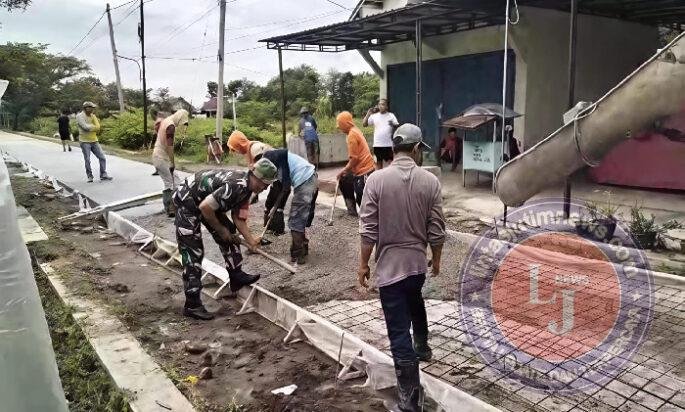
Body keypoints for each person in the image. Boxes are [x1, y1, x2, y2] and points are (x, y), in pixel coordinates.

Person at [358, 123, 445, 412]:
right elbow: (437, 228)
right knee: (415, 299)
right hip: (417, 265)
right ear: (417, 148)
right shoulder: (430, 181)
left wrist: (363, 264)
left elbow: (368, 230)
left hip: (390, 269)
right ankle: (422, 346)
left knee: (398, 333)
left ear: (395, 148)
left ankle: (410, 401)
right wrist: (436, 258)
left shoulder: (376, 180)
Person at [172, 158, 278, 320]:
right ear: (256, 177)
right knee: (193, 252)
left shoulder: (247, 190)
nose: (266, 188)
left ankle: (236, 275)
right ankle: (192, 305)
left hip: (205, 202)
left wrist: (251, 242)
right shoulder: (236, 186)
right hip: (187, 199)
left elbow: (238, 218)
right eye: (265, 184)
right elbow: (205, 208)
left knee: (231, 233)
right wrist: (221, 231)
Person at [258, 148, 318, 264]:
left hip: (306, 181)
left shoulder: (281, 163)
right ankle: (302, 246)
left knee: (295, 221)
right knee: (298, 220)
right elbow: (281, 188)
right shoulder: (279, 158)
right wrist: (272, 208)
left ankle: (298, 253)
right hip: (310, 178)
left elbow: (285, 189)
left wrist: (274, 207)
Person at [336, 111, 375, 217]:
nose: (339, 128)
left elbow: (354, 159)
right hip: (358, 168)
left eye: (340, 125)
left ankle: (369, 216)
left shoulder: (352, 135)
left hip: (365, 169)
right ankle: (351, 209)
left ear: (345, 124)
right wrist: (345, 171)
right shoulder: (355, 130)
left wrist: (343, 170)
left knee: (361, 196)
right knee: (344, 179)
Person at [153, 109, 188, 217]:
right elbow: (170, 147)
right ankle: (169, 209)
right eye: (182, 122)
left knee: (177, 182)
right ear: (179, 118)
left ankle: (176, 206)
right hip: (161, 158)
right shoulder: (170, 126)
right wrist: (172, 162)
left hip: (160, 157)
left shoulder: (167, 120)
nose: (181, 124)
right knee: (169, 183)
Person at [76, 101, 112, 183]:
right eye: (91, 108)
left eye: (93, 108)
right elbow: (85, 127)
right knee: (87, 159)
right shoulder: (79, 116)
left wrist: (92, 127)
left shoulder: (93, 116)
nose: (92, 109)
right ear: (86, 108)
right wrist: (93, 127)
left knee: (102, 157)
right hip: (84, 141)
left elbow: (98, 127)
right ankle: (90, 176)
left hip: (94, 140)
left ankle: (103, 174)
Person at [363, 98, 399, 169]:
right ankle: (379, 175)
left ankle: (391, 175)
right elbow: (364, 124)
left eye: (383, 104)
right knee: (379, 163)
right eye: (379, 104)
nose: (380, 106)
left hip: (388, 144)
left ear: (386, 106)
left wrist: (393, 124)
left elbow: (397, 125)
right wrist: (368, 113)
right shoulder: (374, 116)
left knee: (390, 164)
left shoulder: (391, 115)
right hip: (377, 144)